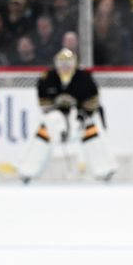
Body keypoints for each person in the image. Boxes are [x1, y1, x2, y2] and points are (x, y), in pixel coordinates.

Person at [16, 48, 116, 182]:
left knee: (90, 131)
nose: (65, 67)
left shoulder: (84, 78)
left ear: (74, 63)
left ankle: (104, 169)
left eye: (68, 63)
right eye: (62, 63)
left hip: (81, 115)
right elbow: (44, 105)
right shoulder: (47, 78)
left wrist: (82, 116)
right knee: (45, 131)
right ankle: (27, 170)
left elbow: (93, 100)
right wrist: (61, 122)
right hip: (56, 116)